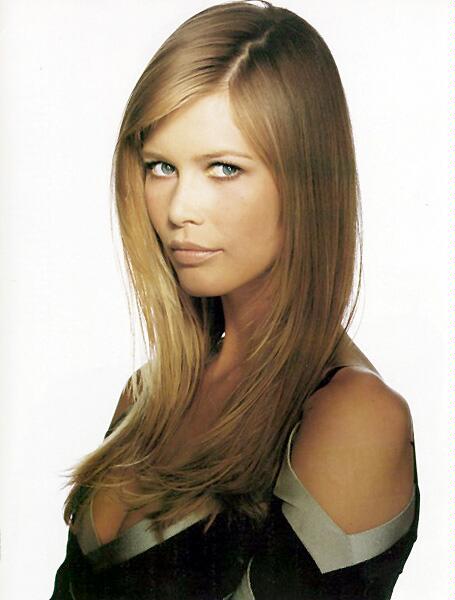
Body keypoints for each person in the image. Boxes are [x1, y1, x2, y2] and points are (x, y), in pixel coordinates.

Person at [50, 1, 419, 598]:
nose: (179, 209)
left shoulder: (354, 416)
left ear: (307, 182)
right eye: (161, 167)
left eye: (223, 168)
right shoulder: (147, 397)